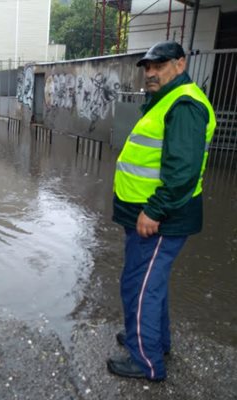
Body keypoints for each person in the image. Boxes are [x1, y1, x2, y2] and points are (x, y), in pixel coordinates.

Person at [107, 41, 216, 381]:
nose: (151, 72)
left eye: (159, 65)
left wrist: (154, 211)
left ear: (180, 65)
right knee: (150, 283)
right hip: (146, 215)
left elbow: (182, 172)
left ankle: (146, 361)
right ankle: (152, 338)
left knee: (140, 286)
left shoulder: (184, 105)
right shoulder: (166, 100)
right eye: (147, 67)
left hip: (158, 220)